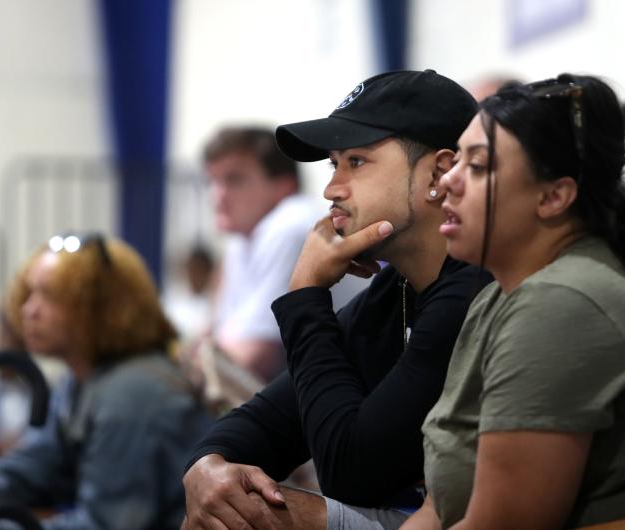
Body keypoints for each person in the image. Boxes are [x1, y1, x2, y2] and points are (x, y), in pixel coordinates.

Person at [407, 75, 625, 529]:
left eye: (478, 167)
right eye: (457, 159)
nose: (448, 181)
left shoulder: (561, 304)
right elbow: (436, 509)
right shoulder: (497, 300)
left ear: (554, 196)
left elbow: (504, 526)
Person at [182, 69, 487, 530]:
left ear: (440, 173)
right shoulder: (396, 290)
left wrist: (306, 296)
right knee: (225, 501)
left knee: (253, 516)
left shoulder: (473, 290)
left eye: (357, 162)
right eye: (333, 164)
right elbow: (266, 421)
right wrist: (207, 464)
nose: (332, 188)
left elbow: (350, 472)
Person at [0, 234, 213, 530]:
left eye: (49, 296)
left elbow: (107, 525)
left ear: (98, 308)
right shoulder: (82, 378)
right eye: (29, 293)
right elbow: (38, 460)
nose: (28, 310)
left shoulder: (132, 394)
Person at [203, 126, 366, 383]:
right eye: (212, 181)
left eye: (234, 180)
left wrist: (198, 358)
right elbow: (211, 340)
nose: (217, 196)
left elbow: (250, 360)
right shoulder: (243, 237)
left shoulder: (289, 225)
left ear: (283, 186)